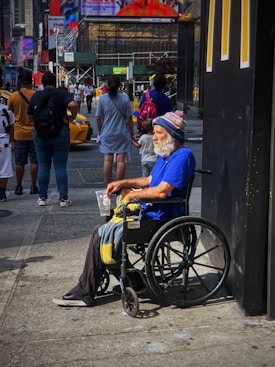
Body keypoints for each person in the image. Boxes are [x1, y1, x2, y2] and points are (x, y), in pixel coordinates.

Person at [53, 111, 195, 307]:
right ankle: (132, 281)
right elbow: (149, 181)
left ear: (172, 135)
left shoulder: (182, 155)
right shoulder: (166, 154)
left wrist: (133, 194)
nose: (153, 137)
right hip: (151, 213)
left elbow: (162, 191)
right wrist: (121, 183)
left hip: (161, 218)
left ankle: (87, 291)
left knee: (101, 233)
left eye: (158, 133)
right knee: (103, 231)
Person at [27, 71, 78, 207]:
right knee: (60, 166)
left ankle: (42, 198)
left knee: (43, 166)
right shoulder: (61, 94)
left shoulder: (36, 96)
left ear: (43, 83)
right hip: (60, 131)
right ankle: (63, 199)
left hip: (40, 134)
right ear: (55, 82)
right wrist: (71, 118)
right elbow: (73, 105)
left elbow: (29, 116)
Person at [96, 75, 135, 186]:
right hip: (122, 132)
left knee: (107, 160)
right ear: (120, 86)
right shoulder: (125, 98)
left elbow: (98, 118)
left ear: (108, 85)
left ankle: (108, 186)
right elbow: (129, 118)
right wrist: (132, 133)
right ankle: (118, 186)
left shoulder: (103, 99)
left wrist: (100, 131)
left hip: (107, 133)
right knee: (121, 161)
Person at [7, 67, 38, 195]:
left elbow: (9, 115)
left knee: (20, 162)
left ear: (20, 81)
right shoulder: (36, 95)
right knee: (35, 161)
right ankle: (33, 186)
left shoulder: (13, 97)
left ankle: (18, 187)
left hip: (19, 133)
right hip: (35, 133)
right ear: (31, 81)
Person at [0, 103, 15, 202]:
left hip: (4, 140)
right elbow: (11, 126)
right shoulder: (5, 109)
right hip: (4, 140)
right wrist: (13, 141)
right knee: (4, 168)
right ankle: (2, 193)